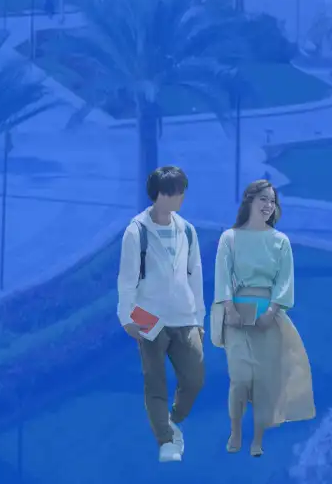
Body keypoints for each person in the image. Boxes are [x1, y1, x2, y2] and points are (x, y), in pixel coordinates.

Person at [211, 180, 314, 456]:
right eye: (263, 199)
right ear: (250, 201)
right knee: (241, 378)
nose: (269, 205)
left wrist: (273, 310)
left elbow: (285, 281)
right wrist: (229, 308)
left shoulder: (280, 242)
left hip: (269, 317)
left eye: (272, 201)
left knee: (265, 382)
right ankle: (236, 430)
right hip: (237, 317)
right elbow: (222, 277)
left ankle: (257, 439)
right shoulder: (229, 238)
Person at [117, 165, 206, 462]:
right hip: (148, 315)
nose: (180, 197)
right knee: (155, 381)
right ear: (159, 195)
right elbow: (127, 280)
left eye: (182, 191)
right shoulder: (136, 231)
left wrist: (200, 318)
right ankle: (166, 442)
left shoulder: (188, 231)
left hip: (184, 316)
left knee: (194, 378)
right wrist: (126, 317)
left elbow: (195, 277)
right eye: (173, 192)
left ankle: (172, 419)